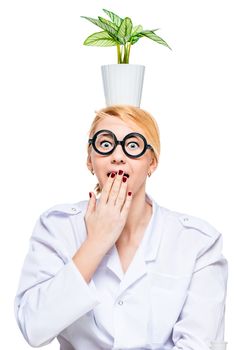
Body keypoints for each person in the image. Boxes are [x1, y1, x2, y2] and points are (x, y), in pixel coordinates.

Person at [14, 105, 228, 350]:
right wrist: (97, 242)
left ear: (152, 162)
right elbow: (33, 327)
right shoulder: (56, 227)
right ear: (90, 160)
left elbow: (198, 345)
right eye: (105, 145)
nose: (118, 155)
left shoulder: (198, 242)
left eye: (133, 145)